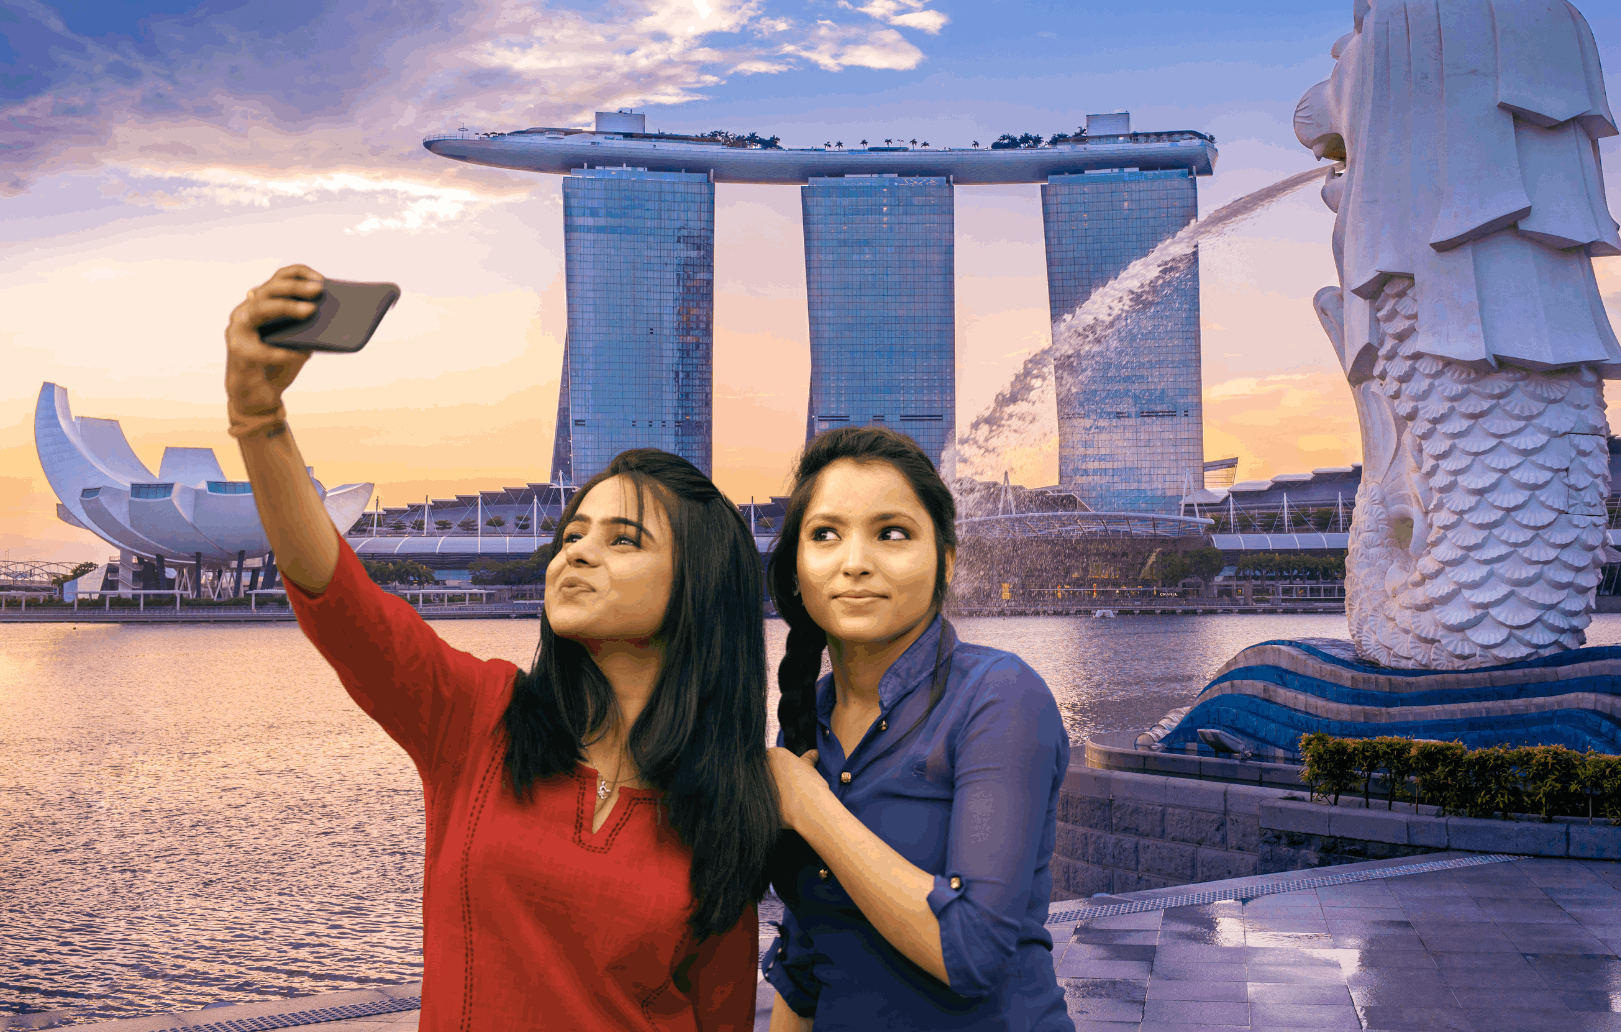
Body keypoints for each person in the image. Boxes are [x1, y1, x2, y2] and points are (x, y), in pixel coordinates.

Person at [224, 264, 776, 1030]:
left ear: (699, 589)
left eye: (624, 541)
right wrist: (259, 418)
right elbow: (343, 606)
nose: (576, 554)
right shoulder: (481, 719)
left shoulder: (723, 813)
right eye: (573, 534)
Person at [761, 427, 1073, 1031]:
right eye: (825, 534)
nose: (855, 563)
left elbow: (971, 951)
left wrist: (809, 806)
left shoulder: (999, 695)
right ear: (797, 569)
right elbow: (802, 966)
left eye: (892, 533)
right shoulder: (805, 721)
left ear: (945, 561)